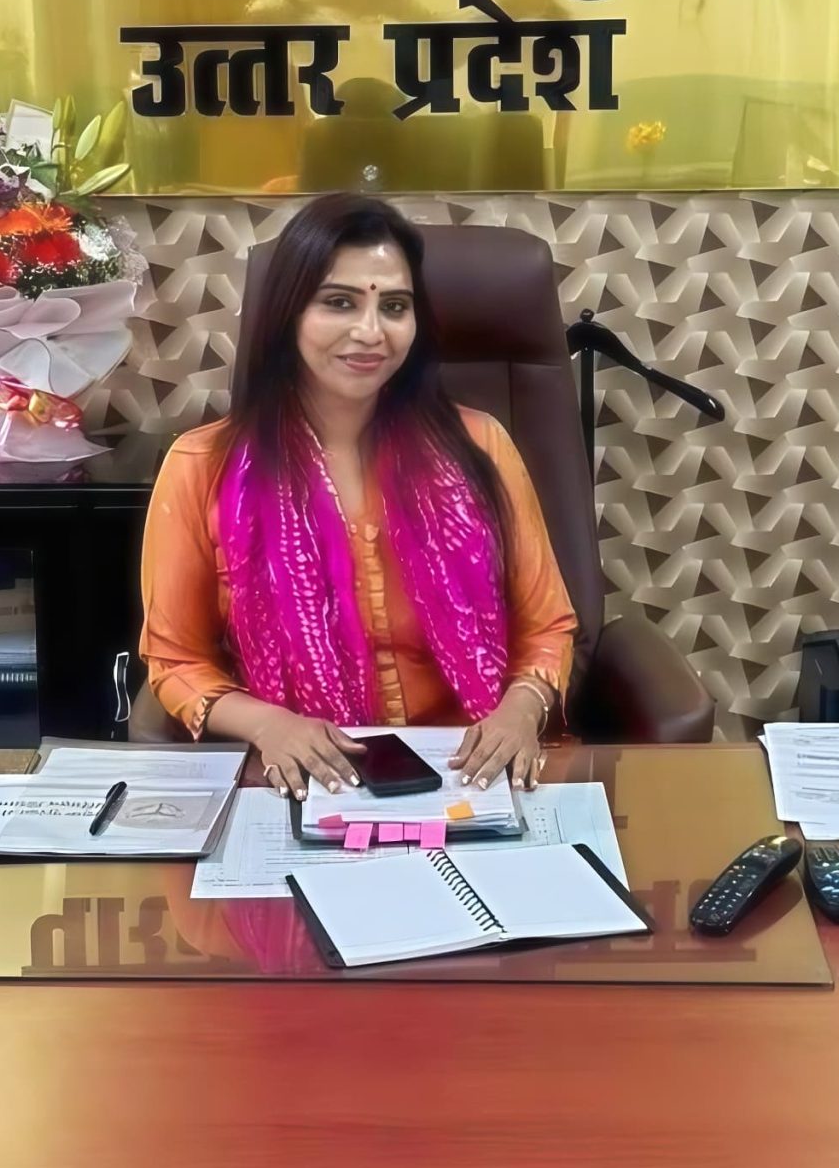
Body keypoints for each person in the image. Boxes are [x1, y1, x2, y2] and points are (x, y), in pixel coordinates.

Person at [139, 193, 578, 795]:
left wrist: (521, 711)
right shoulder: (204, 465)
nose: (371, 332)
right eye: (339, 302)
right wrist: (269, 725)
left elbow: (547, 626)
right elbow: (177, 661)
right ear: (288, 314)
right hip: (305, 775)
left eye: (394, 306)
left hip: (471, 771)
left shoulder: (480, 446)